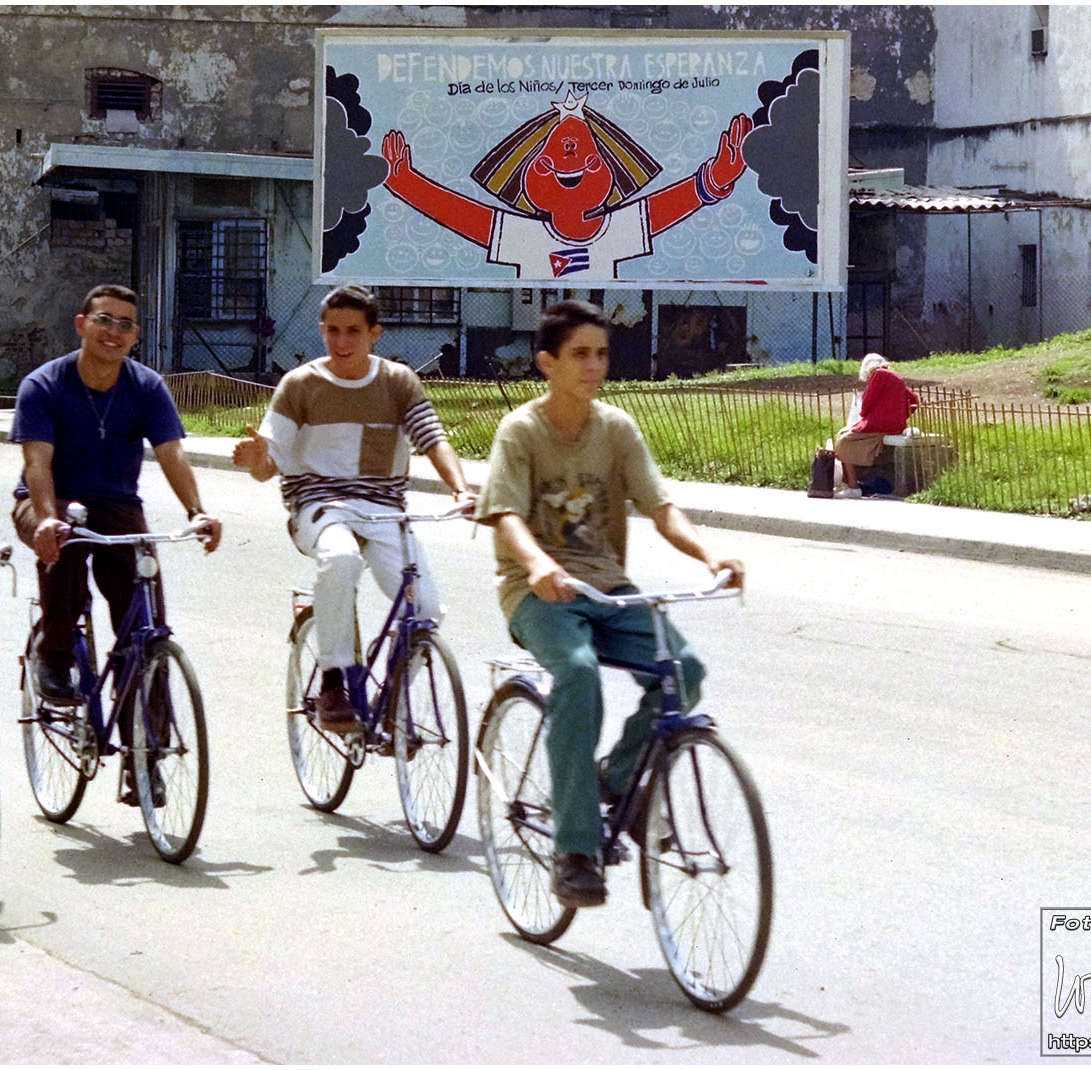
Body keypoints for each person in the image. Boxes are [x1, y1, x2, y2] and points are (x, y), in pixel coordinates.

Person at [473, 300, 745, 908]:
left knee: (683, 669)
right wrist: (538, 564)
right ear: (547, 362)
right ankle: (574, 850)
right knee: (577, 673)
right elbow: (506, 515)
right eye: (580, 355)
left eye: (601, 353)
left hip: (606, 589)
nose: (594, 366)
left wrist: (711, 556)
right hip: (536, 593)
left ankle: (614, 778)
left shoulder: (617, 429)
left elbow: (662, 509)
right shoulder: (520, 431)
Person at [231, 285, 474, 732]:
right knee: (340, 559)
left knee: (426, 610)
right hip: (318, 506)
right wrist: (255, 460)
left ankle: (392, 699)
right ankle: (333, 681)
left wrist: (461, 490)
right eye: (333, 331)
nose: (342, 342)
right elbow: (268, 466)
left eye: (354, 332)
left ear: (374, 333)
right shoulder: (299, 385)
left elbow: (432, 438)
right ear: (322, 330)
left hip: (383, 510)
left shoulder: (398, 381)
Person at [11, 284, 222, 702]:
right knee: (65, 538)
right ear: (81, 325)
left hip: (116, 503)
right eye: (103, 320)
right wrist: (47, 519)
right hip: (48, 500)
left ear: (135, 335)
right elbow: (37, 463)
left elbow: (172, 453)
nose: (113, 332)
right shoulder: (43, 385)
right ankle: (54, 657)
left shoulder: (146, 386)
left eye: (125, 325)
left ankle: (150, 724)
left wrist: (196, 511)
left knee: (144, 604)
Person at [832, 352, 919, 497]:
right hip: (894, 425)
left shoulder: (879, 375)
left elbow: (867, 402)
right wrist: (900, 416)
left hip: (878, 424)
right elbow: (913, 399)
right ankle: (852, 484)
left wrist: (864, 415)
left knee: (843, 441)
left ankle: (853, 486)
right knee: (844, 434)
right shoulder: (895, 375)